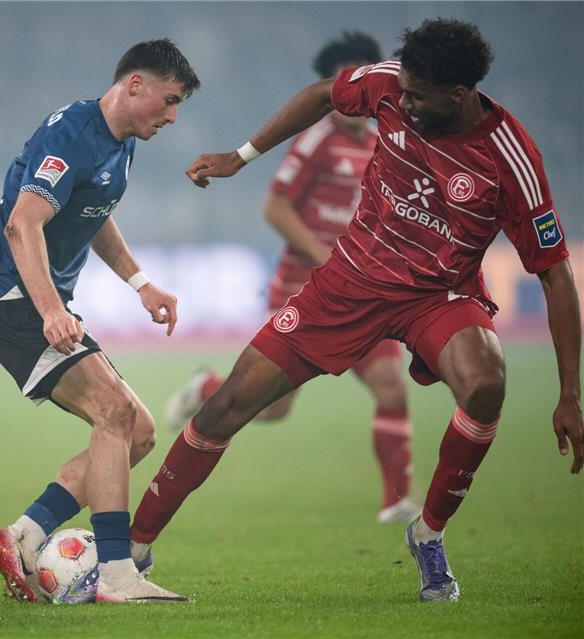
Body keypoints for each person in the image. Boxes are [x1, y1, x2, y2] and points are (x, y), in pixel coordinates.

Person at [130, 18, 582, 602]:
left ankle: (428, 532)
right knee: (231, 405)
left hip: (435, 296)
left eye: (419, 97)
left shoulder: (510, 159)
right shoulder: (393, 83)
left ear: (460, 94)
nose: (406, 103)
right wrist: (241, 157)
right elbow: (324, 94)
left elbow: (556, 272)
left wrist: (570, 392)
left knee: (486, 381)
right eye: (405, 92)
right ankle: (131, 549)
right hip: (349, 282)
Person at [0, 39, 200, 603]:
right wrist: (51, 311)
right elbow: (23, 224)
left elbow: (94, 214)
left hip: (36, 304)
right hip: (13, 303)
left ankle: (23, 537)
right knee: (114, 413)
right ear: (134, 85)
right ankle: (117, 575)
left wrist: (140, 283)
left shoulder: (119, 142)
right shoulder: (71, 135)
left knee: (137, 432)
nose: (172, 117)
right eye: (168, 101)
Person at [163, 32, 420, 525]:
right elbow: (276, 207)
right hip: (305, 286)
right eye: (340, 81)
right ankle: (208, 388)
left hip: (365, 290)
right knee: (273, 408)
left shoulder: (385, 144)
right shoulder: (315, 139)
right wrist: (328, 255)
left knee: (391, 386)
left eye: (357, 81)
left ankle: (396, 502)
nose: (350, 92)